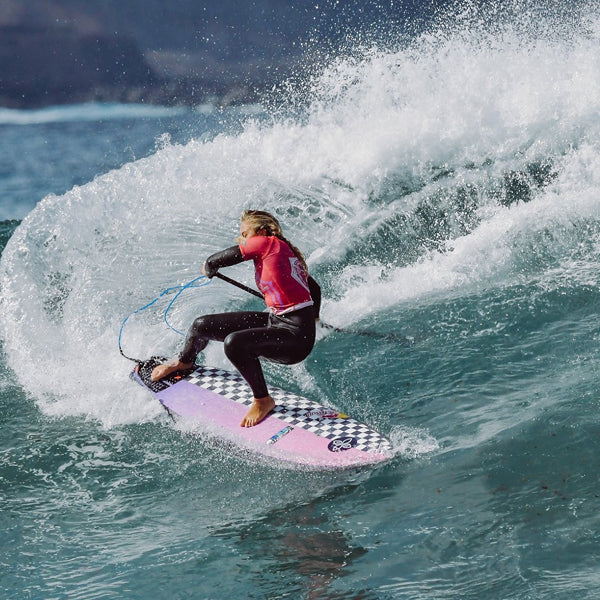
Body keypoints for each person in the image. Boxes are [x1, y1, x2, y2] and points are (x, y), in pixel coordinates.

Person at [151, 209, 321, 428]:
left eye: (245, 234)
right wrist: (314, 316)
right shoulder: (282, 252)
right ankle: (184, 362)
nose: (242, 239)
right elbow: (314, 289)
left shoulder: (267, 242)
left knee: (235, 344)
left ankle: (263, 400)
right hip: (279, 322)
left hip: (295, 339)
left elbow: (218, 259)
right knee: (201, 325)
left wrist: (210, 265)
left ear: (260, 231)